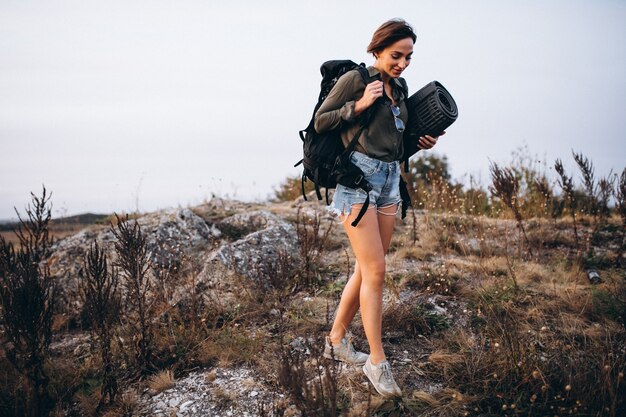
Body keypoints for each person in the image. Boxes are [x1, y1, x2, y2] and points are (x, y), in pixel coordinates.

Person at [314, 19, 443, 397]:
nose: (402, 63)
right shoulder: (357, 79)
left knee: (369, 267)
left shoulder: (400, 88)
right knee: (376, 270)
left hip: (389, 180)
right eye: (396, 55)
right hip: (357, 180)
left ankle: (336, 342)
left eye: (408, 57)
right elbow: (322, 121)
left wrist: (421, 142)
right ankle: (376, 360)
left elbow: (394, 144)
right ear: (377, 51)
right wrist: (359, 104)